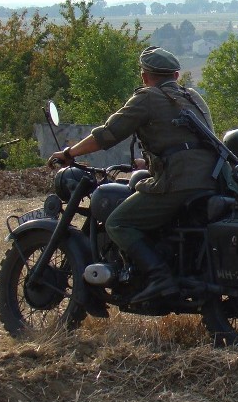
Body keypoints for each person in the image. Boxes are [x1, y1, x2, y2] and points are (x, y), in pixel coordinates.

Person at [48, 46, 219, 303]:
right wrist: (148, 162)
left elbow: (106, 134)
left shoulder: (147, 98)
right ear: (176, 76)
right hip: (212, 178)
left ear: (144, 76)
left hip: (178, 182)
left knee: (118, 222)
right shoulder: (194, 97)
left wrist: (69, 153)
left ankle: (160, 277)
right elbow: (193, 141)